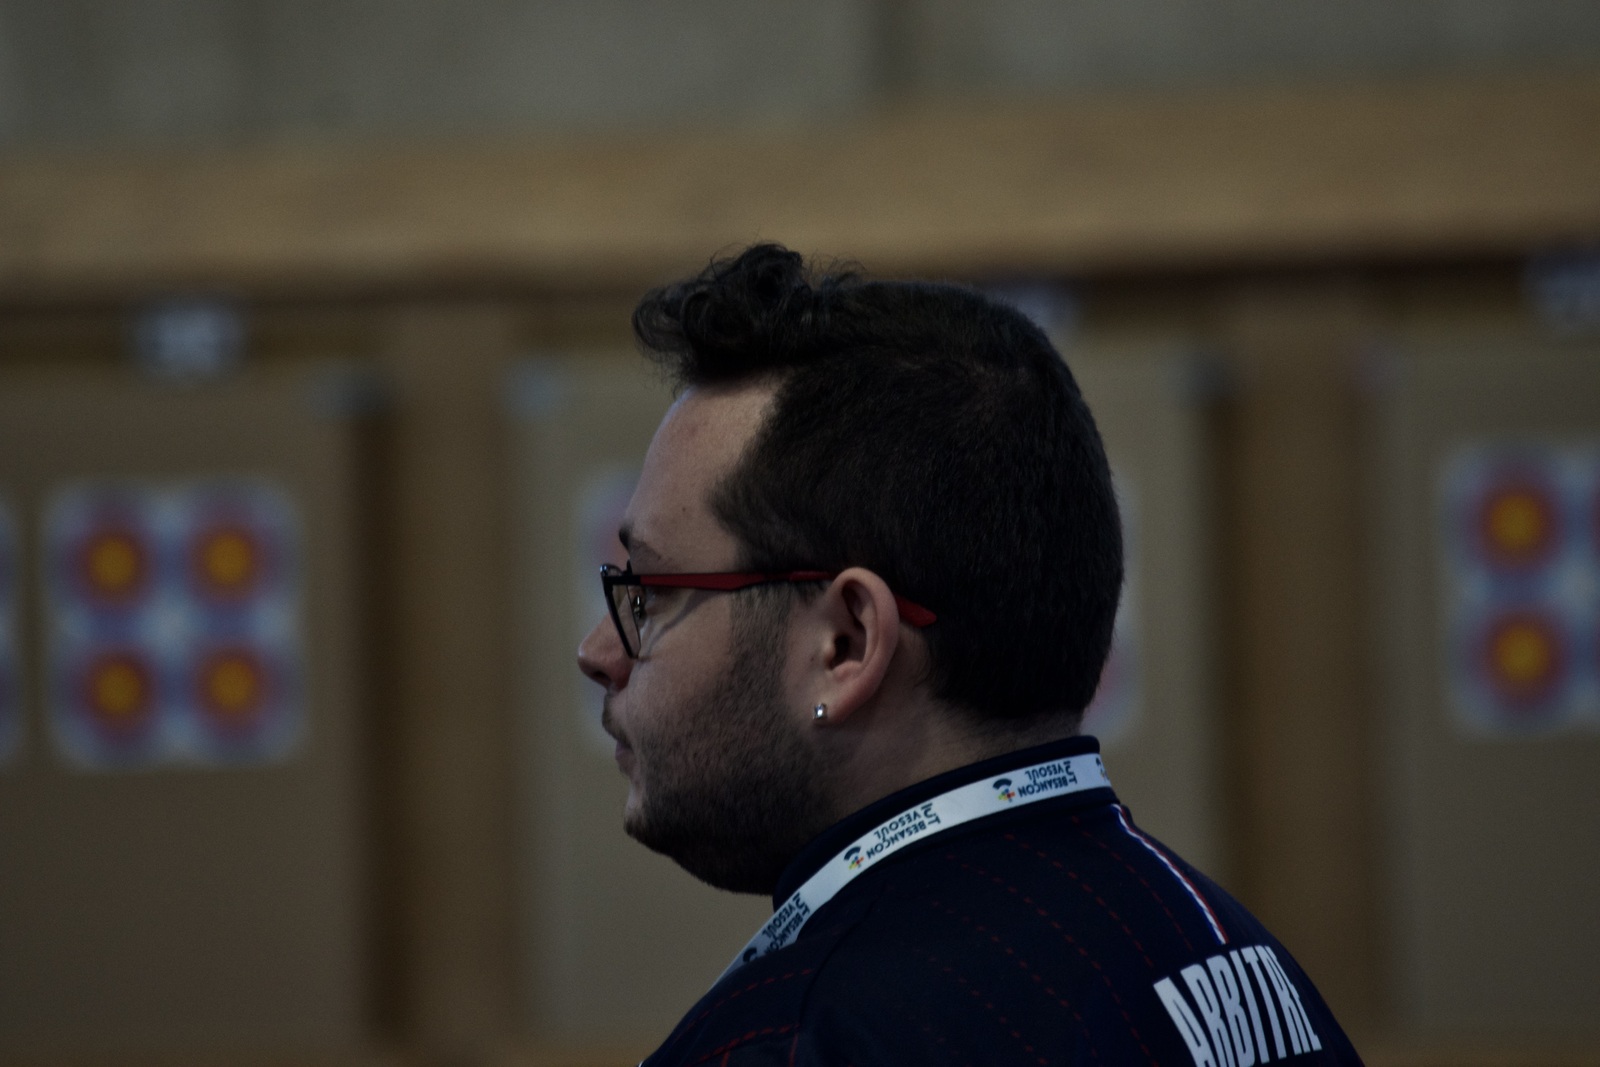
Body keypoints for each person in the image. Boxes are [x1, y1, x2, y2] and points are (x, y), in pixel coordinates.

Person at [577, 243, 1361, 1066]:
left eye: (653, 591)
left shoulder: (801, 1039)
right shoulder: (1242, 965)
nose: (598, 652)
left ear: (846, 643)